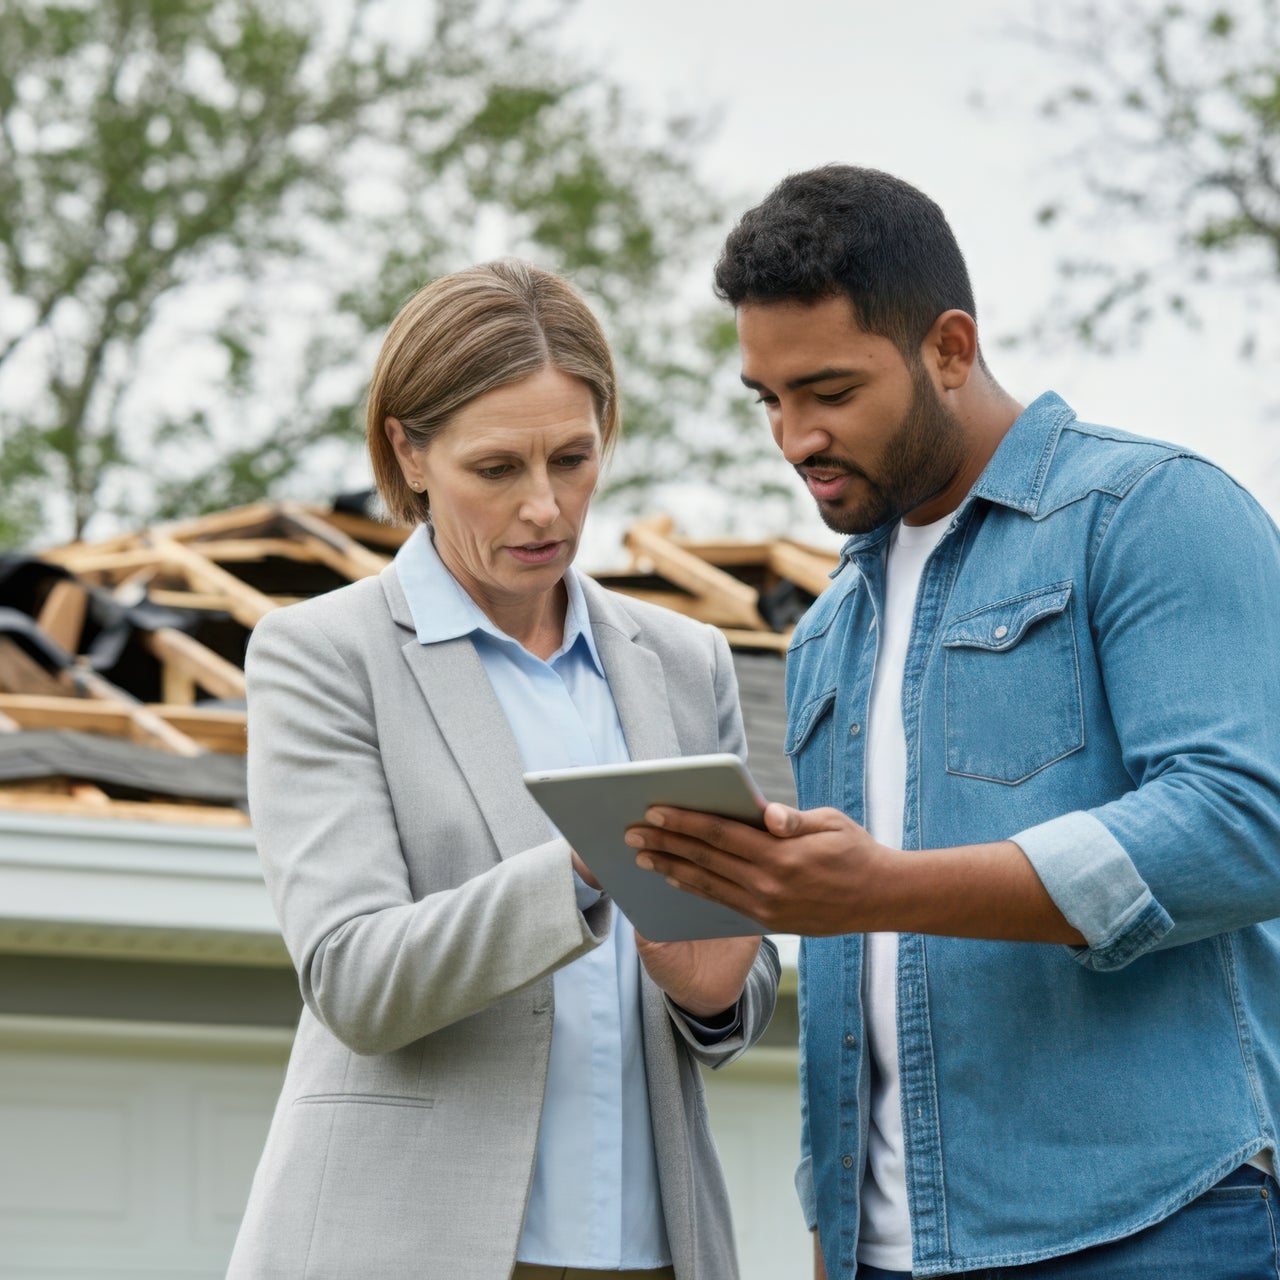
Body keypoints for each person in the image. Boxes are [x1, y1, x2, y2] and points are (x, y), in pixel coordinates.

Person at [625, 165, 1280, 1279]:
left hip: (1151, 1226)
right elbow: (848, 958)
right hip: (885, 1245)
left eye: (827, 390)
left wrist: (886, 885)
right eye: (767, 398)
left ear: (947, 348)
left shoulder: (1147, 513)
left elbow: (1243, 821)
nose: (792, 437)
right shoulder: (829, 625)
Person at [227, 259, 779, 1280]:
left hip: (656, 1250)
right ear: (410, 448)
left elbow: (725, 991)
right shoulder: (322, 653)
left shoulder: (687, 659)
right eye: (497, 468)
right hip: (409, 1245)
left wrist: (713, 989)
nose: (544, 507)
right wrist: (581, 871)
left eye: (572, 458)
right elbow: (353, 977)